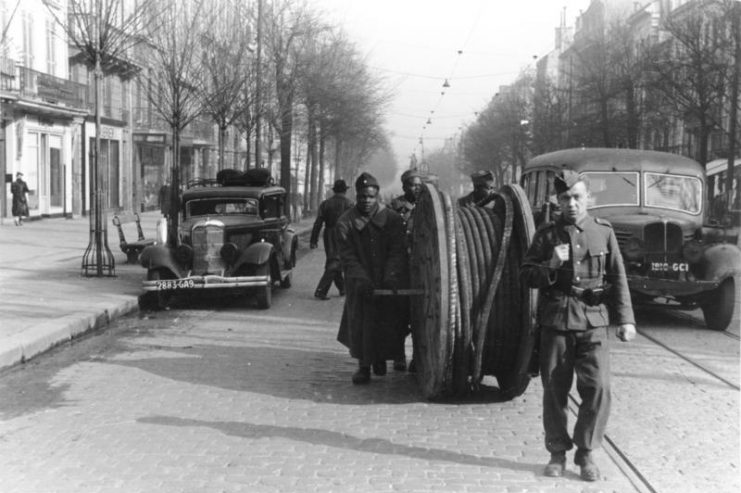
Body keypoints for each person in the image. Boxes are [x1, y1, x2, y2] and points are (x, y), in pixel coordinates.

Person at [520, 170, 636, 482]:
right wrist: (551, 266)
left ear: (588, 198)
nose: (571, 204)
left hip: (594, 320)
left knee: (598, 388)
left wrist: (626, 318)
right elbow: (526, 275)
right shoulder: (546, 235)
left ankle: (586, 453)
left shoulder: (603, 231)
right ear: (557, 201)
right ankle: (557, 454)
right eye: (565, 198)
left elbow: (618, 277)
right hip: (557, 320)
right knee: (555, 392)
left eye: (577, 197)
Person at [336, 172, 407, 384]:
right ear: (356, 196)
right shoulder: (345, 222)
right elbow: (347, 256)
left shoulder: (392, 219)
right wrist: (361, 279)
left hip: (386, 279)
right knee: (362, 323)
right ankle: (363, 366)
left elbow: (398, 250)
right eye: (362, 197)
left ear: (377, 197)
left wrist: (391, 275)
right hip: (360, 280)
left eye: (370, 197)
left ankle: (383, 359)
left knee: (388, 321)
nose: (366, 201)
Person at [388, 168, 424, 372]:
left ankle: (418, 357)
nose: (416, 188)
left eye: (419, 184)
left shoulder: (428, 206)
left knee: (421, 315)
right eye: (412, 184)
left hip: (422, 267)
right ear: (404, 187)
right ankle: (399, 355)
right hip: (403, 266)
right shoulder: (396, 206)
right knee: (400, 315)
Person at [310, 179, 354, 300]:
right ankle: (321, 290)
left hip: (329, 233)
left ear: (334, 190)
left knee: (334, 260)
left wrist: (313, 240)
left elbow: (318, 223)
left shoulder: (325, 204)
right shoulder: (350, 204)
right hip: (344, 233)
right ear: (345, 190)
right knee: (335, 261)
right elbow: (355, 223)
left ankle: (343, 288)